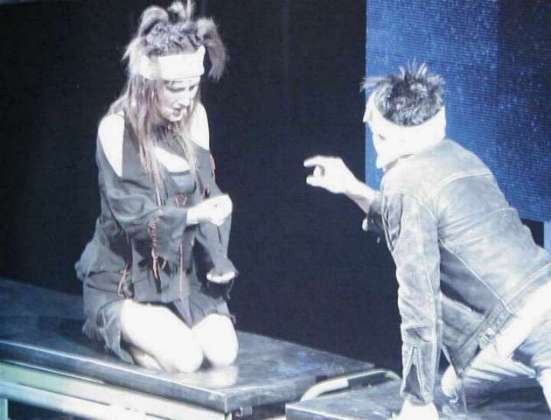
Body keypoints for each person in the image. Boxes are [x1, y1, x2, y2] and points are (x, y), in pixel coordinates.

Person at [304, 64, 551, 419]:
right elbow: (410, 215)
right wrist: (352, 188)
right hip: (528, 313)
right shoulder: (458, 156)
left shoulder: (405, 184)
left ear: (385, 135)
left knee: (445, 400)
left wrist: (417, 399)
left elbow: (419, 307)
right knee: (455, 392)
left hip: (529, 332)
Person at [75, 0, 239, 373]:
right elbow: (135, 218)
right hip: (124, 283)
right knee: (186, 359)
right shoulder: (116, 130)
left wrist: (217, 258)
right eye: (174, 88)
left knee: (223, 352)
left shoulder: (195, 117)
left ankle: (166, 330)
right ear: (149, 84)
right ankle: (114, 334)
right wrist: (194, 215)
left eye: (192, 87)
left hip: (179, 281)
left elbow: (205, 193)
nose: (185, 99)